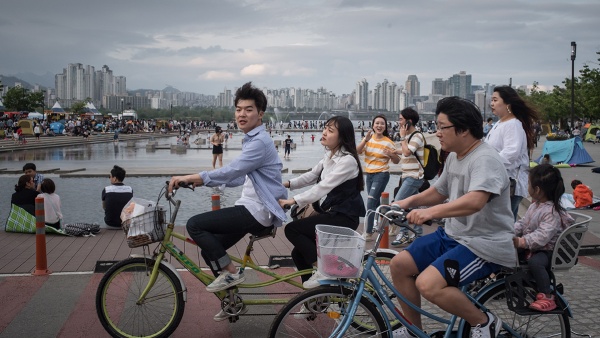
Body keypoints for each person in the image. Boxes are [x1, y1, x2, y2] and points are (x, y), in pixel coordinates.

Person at [390, 97, 515, 338]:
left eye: (441, 127)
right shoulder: (456, 155)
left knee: (427, 284)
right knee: (399, 265)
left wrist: (429, 212)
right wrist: (404, 202)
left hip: (482, 243)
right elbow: (439, 190)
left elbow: (475, 200)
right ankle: (413, 330)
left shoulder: (484, 159)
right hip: (454, 235)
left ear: (464, 129)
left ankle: (484, 322)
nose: (436, 133)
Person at [168, 82, 287, 321]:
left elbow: (232, 170)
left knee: (194, 225)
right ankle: (232, 302)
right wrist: (202, 182)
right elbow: (240, 177)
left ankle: (231, 272)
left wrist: (194, 176)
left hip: (257, 211)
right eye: (239, 109)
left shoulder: (259, 142)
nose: (242, 114)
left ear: (260, 114)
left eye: (249, 109)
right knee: (211, 251)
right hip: (251, 207)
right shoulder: (252, 139)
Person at [279, 116, 365, 288]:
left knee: (292, 230)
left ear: (342, 137)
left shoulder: (347, 161)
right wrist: (286, 184)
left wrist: (293, 200)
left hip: (345, 217)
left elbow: (322, 187)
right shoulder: (330, 156)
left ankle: (324, 271)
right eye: (325, 128)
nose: (324, 132)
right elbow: (311, 176)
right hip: (333, 214)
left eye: (330, 130)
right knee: (298, 254)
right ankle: (314, 299)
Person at [513, 164, 574, 312]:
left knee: (536, 263)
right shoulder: (535, 206)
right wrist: (510, 231)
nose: (527, 186)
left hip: (548, 249)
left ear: (537, 189)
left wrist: (522, 241)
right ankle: (516, 284)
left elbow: (542, 236)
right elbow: (523, 223)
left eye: (528, 183)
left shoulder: (551, 211)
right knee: (510, 254)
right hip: (536, 246)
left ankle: (547, 294)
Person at [485, 85, 539, 221]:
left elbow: (511, 153)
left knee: (504, 224)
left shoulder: (513, 124)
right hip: (500, 181)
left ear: (507, 103)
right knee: (503, 223)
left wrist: (487, 162)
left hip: (510, 183)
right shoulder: (500, 123)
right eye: (491, 100)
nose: (492, 103)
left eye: (495, 100)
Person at [357, 114, 399, 241]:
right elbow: (357, 151)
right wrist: (365, 140)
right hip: (369, 174)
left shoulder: (389, 142)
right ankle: (392, 221)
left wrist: (391, 154)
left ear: (385, 126)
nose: (379, 126)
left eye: (382, 123)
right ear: (373, 125)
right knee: (375, 203)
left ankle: (368, 232)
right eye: (377, 123)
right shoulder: (367, 139)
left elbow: (397, 161)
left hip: (382, 174)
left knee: (370, 202)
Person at [391, 107, 426, 246]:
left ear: (409, 122)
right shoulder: (412, 137)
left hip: (414, 176)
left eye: (400, 119)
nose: (398, 122)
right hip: (407, 175)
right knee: (412, 207)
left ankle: (404, 233)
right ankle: (418, 234)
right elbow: (405, 151)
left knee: (397, 205)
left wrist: (402, 137)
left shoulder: (417, 136)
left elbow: (406, 152)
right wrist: (393, 151)